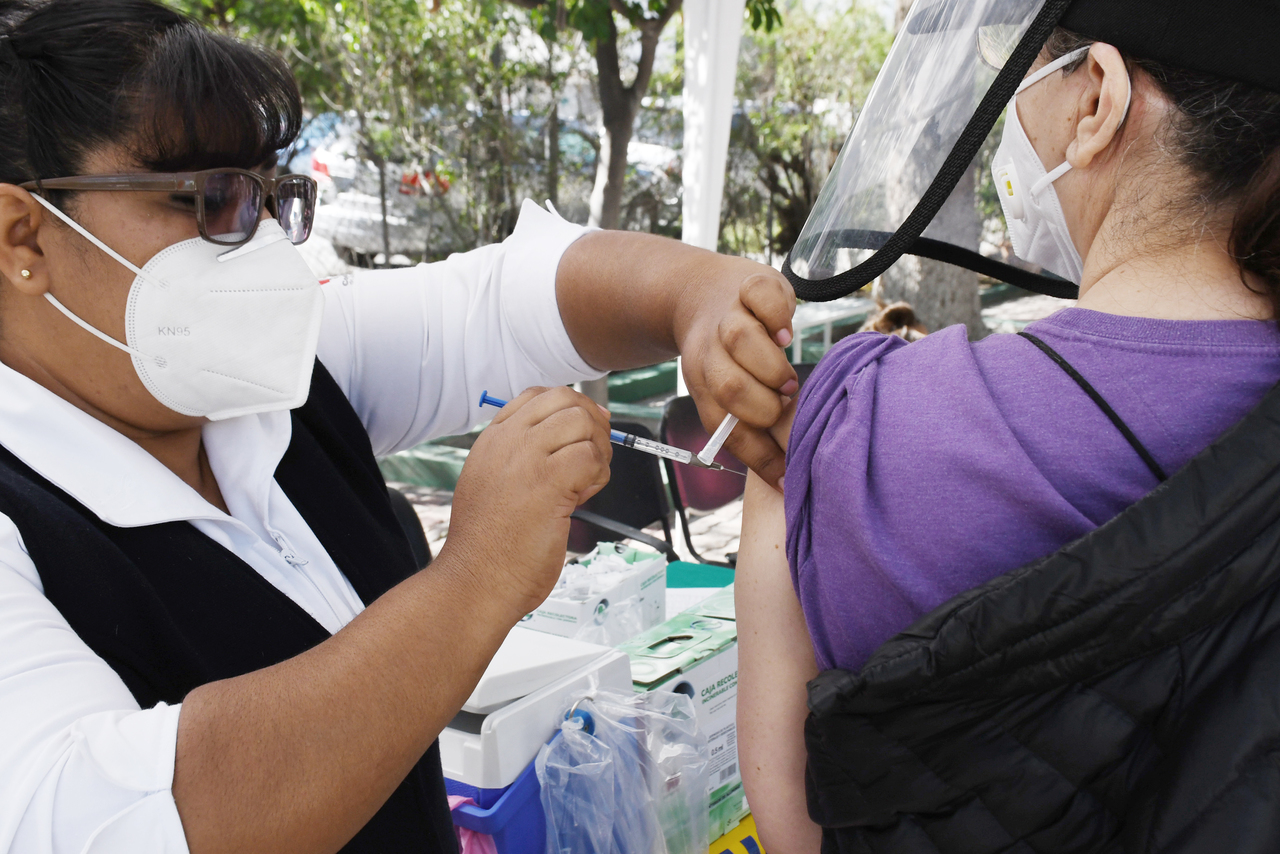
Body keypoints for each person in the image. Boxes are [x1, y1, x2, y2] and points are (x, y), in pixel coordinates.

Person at [0, 2, 800, 853]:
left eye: (272, 194)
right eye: (210, 198)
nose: (263, 238)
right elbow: (98, 817)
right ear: (24, 237)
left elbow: (497, 304)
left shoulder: (270, 381)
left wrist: (696, 297)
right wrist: (476, 577)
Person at [737, 0, 1280, 851]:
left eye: (1028, 76)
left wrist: (780, 473)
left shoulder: (862, 430)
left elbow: (798, 819)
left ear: (1094, 99)